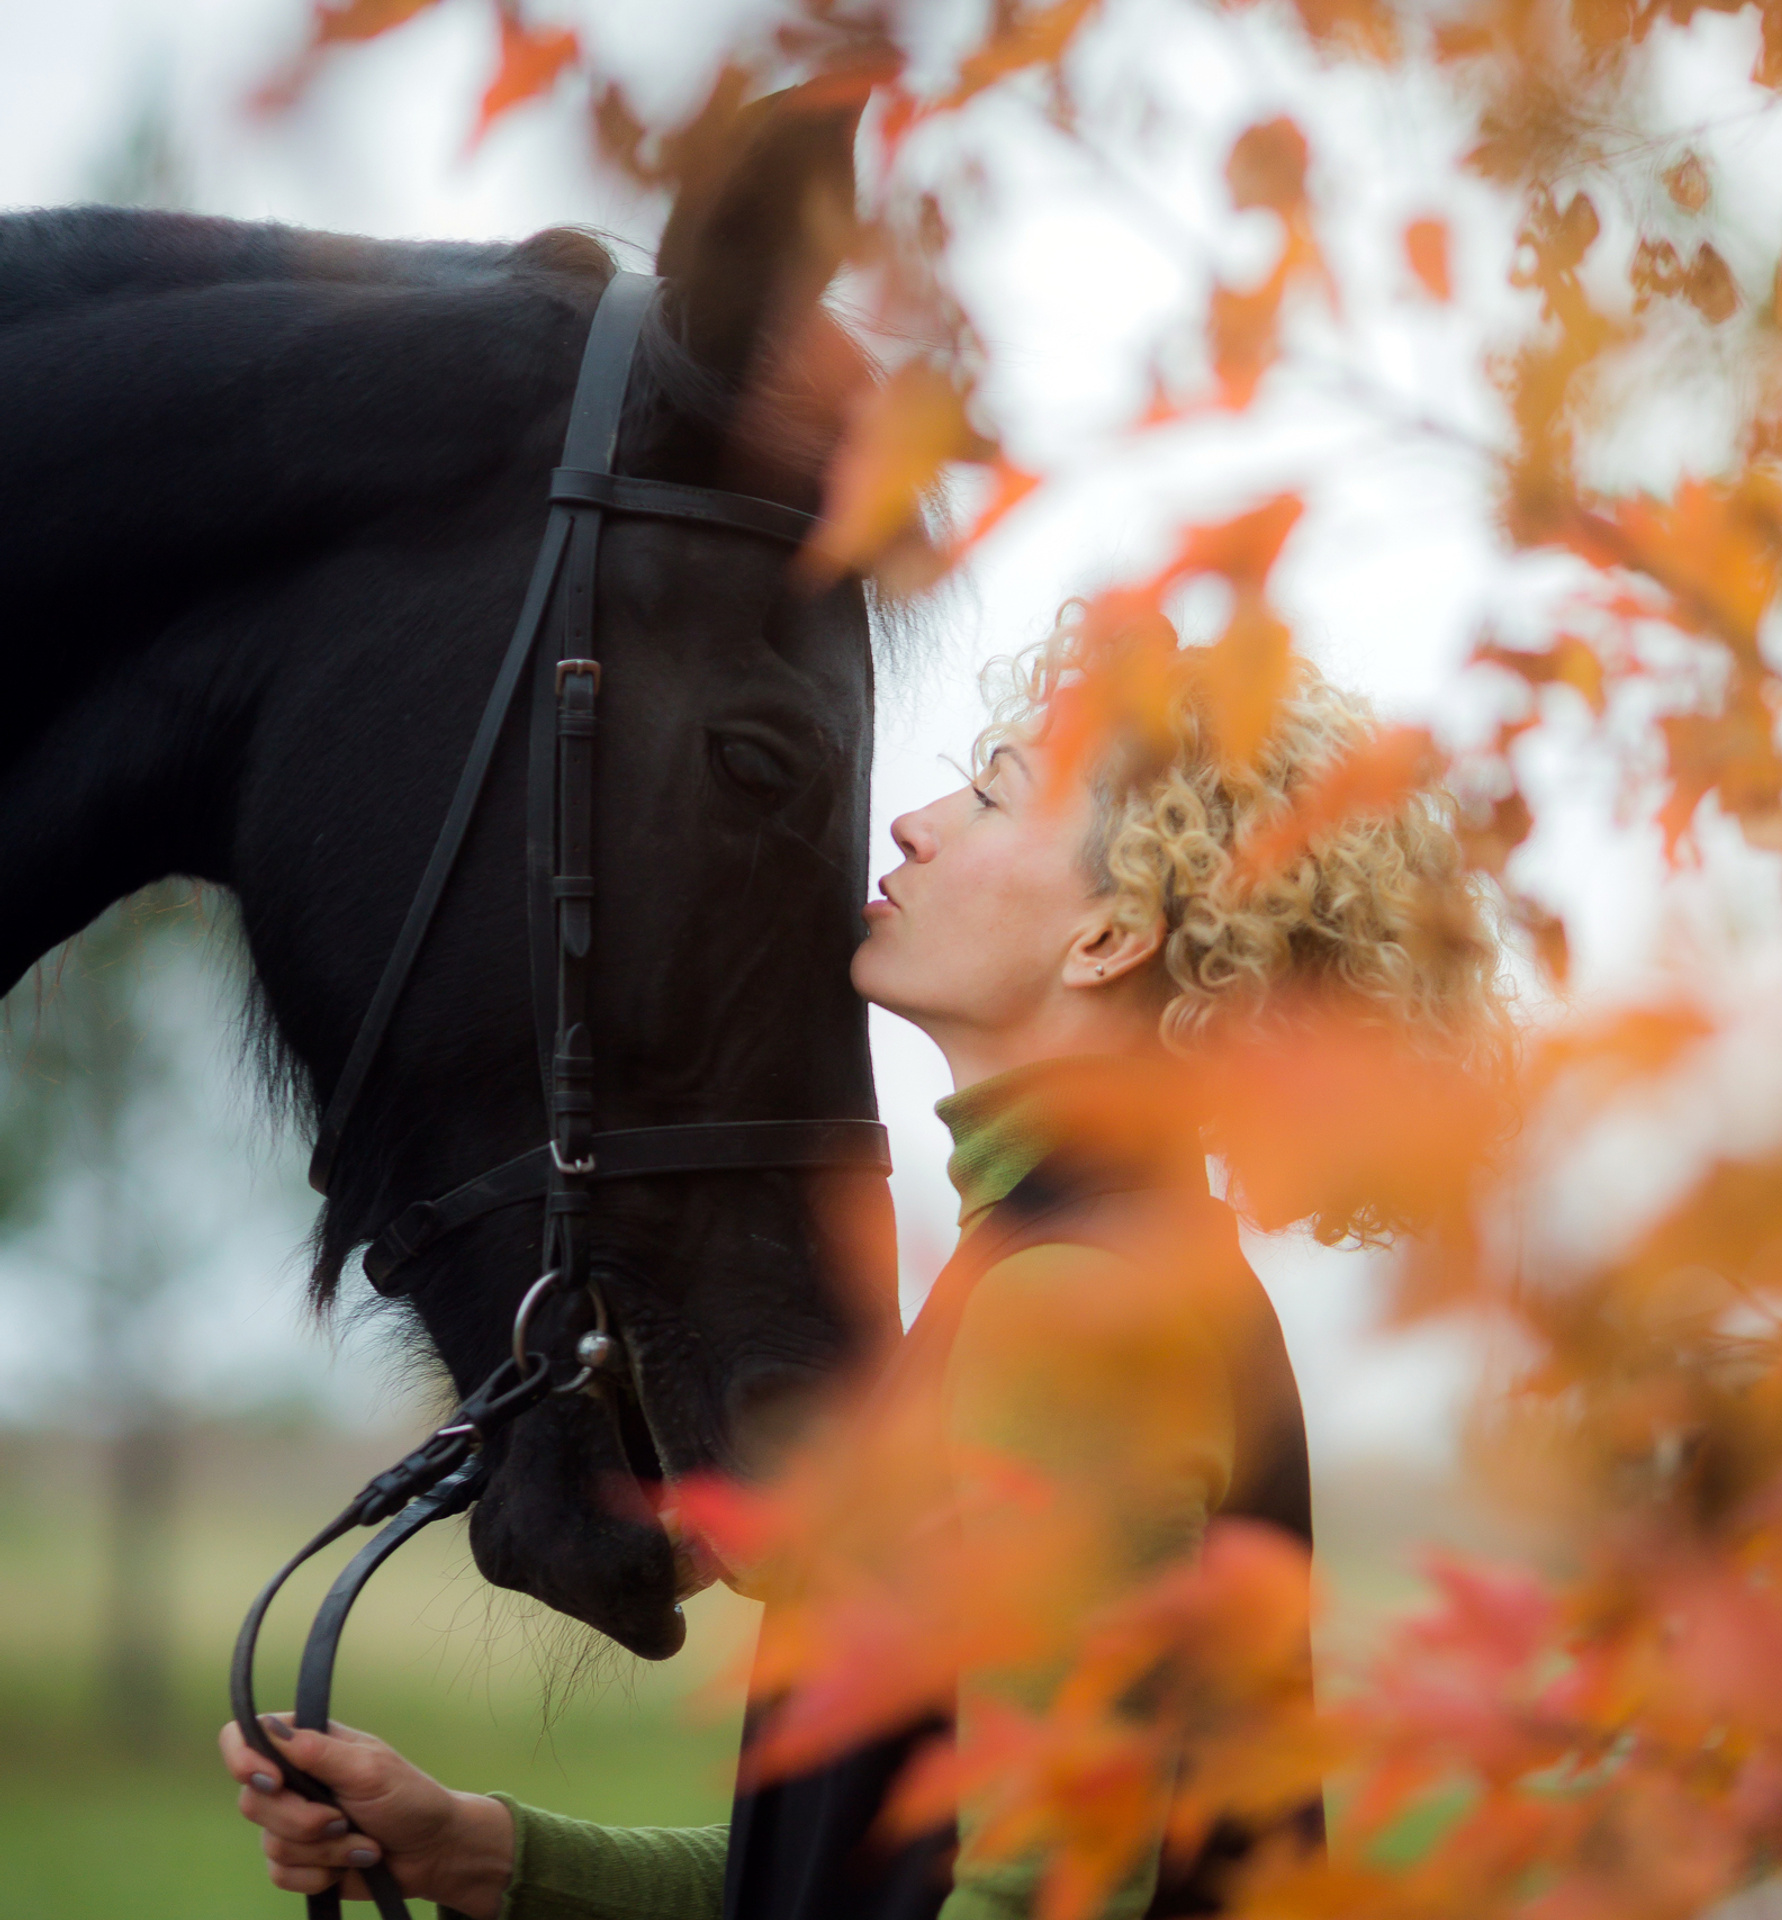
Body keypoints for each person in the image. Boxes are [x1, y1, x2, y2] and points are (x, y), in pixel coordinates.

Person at [220, 610, 1506, 1919]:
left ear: (1109, 937)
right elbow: (847, 1878)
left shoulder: (1077, 1301)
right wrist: (478, 1853)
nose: (913, 823)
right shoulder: (1069, 1267)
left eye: (994, 794)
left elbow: (1036, 1895)